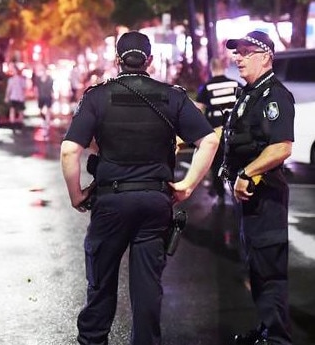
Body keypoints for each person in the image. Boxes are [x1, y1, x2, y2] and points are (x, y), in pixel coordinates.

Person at [60, 31, 219, 345]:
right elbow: (210, 139)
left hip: (110, 203)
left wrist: (76, 194)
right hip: (154, 202)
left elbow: (69, 150)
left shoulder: (97, 96)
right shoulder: (172, 96)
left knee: (101, 281)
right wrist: (186, 186)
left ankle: (93, 339)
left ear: (117, 60)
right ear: (150, 60)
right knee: (148, 285)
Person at [222, 30, 294, 345]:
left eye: (246, 51)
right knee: (257, 268)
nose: (238, 57)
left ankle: (278, 339)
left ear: (265, 57)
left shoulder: (275, 96)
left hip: (267, 198)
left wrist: (246, 173)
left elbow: (282, 147)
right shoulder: (249, 93)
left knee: (270, 273)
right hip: (252, 201)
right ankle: (266, 330)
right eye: (236, 52)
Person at [195, 57, 242, 205]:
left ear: (211, 68)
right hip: (234, 131)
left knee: (216, 163)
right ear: (225, 68)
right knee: (234, 160)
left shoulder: (207, 87)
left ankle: (220, 192)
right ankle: (236, 188)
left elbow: (199, 109)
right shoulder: (235, 84)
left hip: (215, 132)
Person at [33, 67, 54, 138]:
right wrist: (36, 95)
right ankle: (44, 122)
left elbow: (51, 89)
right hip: (41, 97)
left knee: (47, 111)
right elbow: (36, 88)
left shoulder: (50, 79)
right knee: (41, 111)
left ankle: (47, 126)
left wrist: (53, 96)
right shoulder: (38, 80)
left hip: (48, 97)